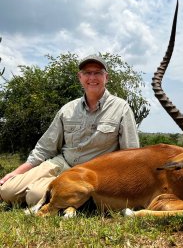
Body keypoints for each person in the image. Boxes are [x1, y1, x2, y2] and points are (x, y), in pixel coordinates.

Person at [0, 54, 140, 206]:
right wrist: (15, 173)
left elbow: (130, 154)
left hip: (91, 174)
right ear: (80, 77)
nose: (92, 77)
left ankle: (50, 194)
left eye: (98, 72)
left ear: (106, 77)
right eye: (87, 72)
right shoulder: (67, 109)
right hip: (62, 163)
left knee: (35, 196)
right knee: (7, 190)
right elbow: (44, 148)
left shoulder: (121, 108)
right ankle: (46, 188)